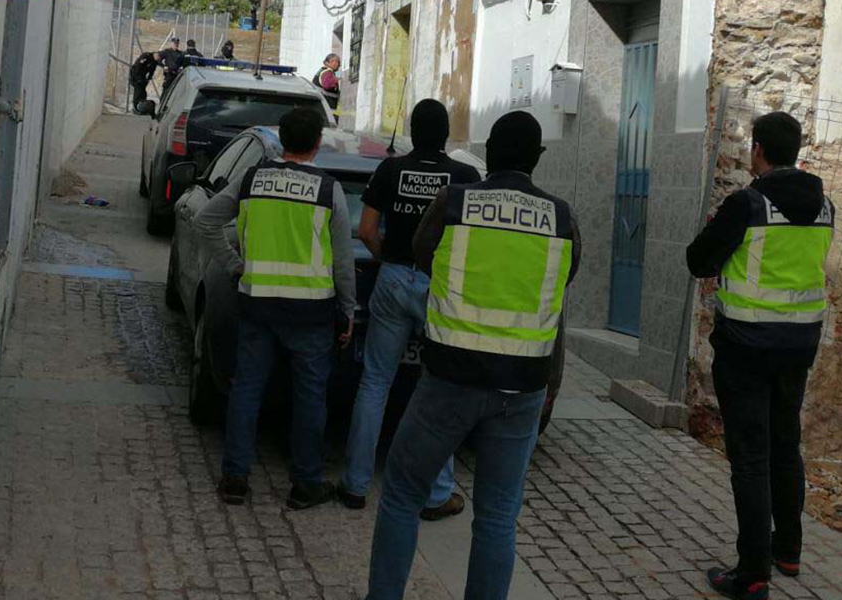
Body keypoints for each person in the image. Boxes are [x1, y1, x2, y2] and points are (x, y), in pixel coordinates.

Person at [364, 111, 580, 600]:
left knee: (401, 492)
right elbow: (563, 283)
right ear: (537, 159)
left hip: (450, 377)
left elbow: (421, 253)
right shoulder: (562, 217)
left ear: (488, 153)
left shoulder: (456, 201)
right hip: (522, 386)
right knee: (499, 515)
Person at [686, 112, 834, 600]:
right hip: (798, 347)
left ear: (758, 151)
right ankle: (787, 550)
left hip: (747, 347)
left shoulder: (746, 204)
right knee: (785, 444)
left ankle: (751, 574)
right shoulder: (824, 207)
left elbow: (698, 260)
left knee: (749, 457)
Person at [195, 107, 356, 510]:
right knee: (309, 398)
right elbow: (342, 262)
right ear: (318, 143)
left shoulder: (252, 180)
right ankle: (305, 483)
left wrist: (235, 266)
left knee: (247, 390)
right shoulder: (328, 189)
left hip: (258, 306)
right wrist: (348, 311)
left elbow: (204, 221)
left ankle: (235, 478)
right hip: (311, 314)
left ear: (282, 140)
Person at [336, 99, 482, 519]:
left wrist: (388, 263)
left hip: (395, 278)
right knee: (442, 387)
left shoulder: (390, 169)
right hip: (441, 287)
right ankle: (437, 495)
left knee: (376, 382)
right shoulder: (463, 176)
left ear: (413, 132)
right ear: (445, 133)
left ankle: (355, 485)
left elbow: (365, 230)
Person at [313, 53, 341, 121]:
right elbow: (327, 85)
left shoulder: (325, 71)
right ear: (327, 62)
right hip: (326, 109)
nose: (336, 63)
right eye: (333, 61)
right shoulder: (327, 72)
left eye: (337, 61)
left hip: (323, 108)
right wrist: (338, 77)